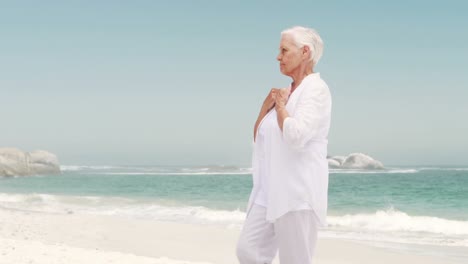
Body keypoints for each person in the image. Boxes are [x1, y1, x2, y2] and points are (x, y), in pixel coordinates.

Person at [236, 26, 332, 264]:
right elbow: (260, 139)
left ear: (305, 52)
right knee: (248, 251)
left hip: (297, 193)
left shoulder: (316, 90)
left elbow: (296, 135)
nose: (278, 56)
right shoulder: (285, 92)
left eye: (284, 50)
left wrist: (280, 108)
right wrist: (266, 106)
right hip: (268, 191)